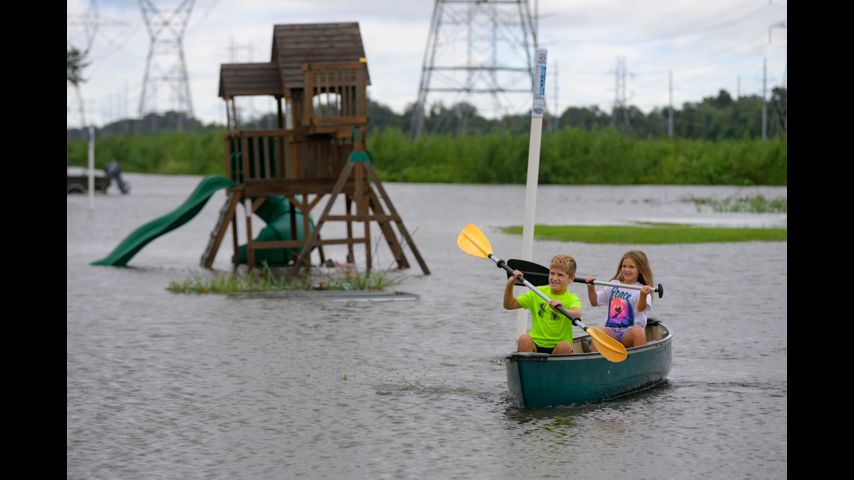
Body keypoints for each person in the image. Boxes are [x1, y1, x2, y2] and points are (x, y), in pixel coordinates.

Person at [504, 254, 581, 354]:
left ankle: (554, 367)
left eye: (560, 275)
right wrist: (510, 284)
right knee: (524, 339)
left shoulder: (571, 298)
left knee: (565, 346)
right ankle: (529, 365)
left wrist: (562, 310)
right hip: (535, 345)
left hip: (557, 349)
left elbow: (577, 313)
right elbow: (509, 305)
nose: (554, 278)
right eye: (552, 273)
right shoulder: (538, 292)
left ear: (571, 278)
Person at [585, 250, 655, 349]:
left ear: (640, 270)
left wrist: (643, 295)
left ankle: (639, 361)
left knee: (638, 332)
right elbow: (594, 302)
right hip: (611, 331)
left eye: (631, 267)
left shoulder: (643, 289)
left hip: (629, 333)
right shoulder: (613, 284)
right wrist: (590, 287)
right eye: (624, 266)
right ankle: (595, 362)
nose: (626, 270)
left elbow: (640, 308)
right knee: (597, 333)